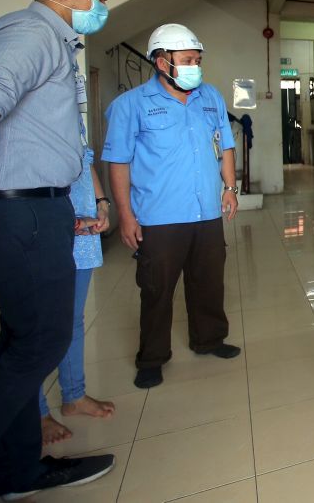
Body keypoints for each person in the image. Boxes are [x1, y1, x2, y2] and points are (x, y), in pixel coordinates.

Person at [0, 0, 116, 499]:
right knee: (43, 339)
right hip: (16, 208)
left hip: (38, 206)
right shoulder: (30, 33)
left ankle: (12, 471)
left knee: (23, 339)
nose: (101, 7)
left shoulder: (55, 42)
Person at [102, 23, 240, 390]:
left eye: (198, 59)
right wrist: (126, 215)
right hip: (159, 217)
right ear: (162, 62)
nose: (195, 66)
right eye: (187, 60)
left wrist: (229, 187)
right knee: (157, 289)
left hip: (206, 213)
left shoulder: (210, 97)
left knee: (209, 282)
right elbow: (118, 162)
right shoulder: (130, 105)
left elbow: (224, 144)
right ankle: (152, 358)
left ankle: (210, 339)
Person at [40, 141, 116, 444]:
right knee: (37, 327)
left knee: (72, 319)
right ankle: (37, 413)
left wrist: (101, 203)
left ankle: (74, 395)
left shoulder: (69, 110)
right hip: (48, 229)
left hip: (84, 230)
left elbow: (86, 161)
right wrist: (68, 221)